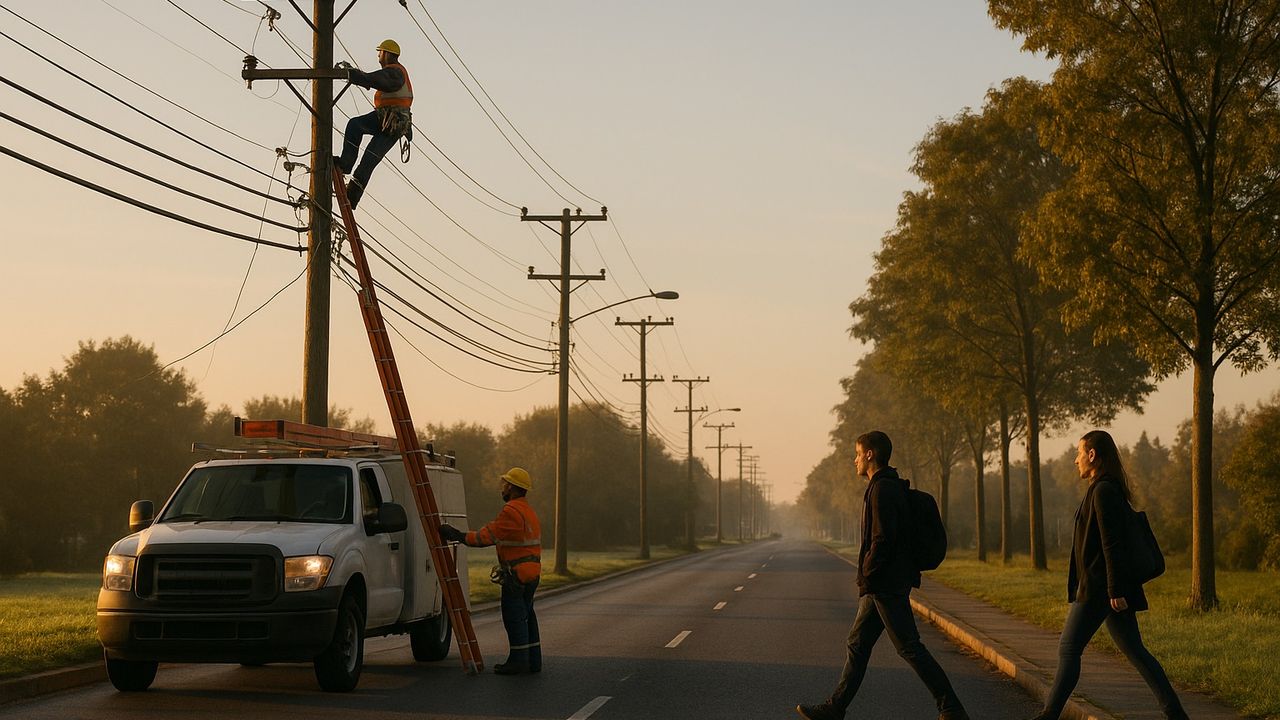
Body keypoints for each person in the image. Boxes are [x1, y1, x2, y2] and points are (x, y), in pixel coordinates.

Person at [798, 431, 969, 720]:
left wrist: (867, 572)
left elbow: (883, 538)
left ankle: (951, 707)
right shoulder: (886, 486)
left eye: (857, 453)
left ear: (870, 454)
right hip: (884, 582)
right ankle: (835, 707)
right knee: (857, 644)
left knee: (909, 647)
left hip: (885, 583)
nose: (854, 460)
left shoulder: (882, 489)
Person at [1027, 430, 1188, 720]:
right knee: (1136, 651)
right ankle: (1176, 714)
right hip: (1107, 587)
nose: (1075, 460)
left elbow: (1110, 545)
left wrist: (1115, 591)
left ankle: (1049, 716)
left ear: (1092, 455)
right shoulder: (1103, 488)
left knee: (1069, 647)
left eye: (1079, 453)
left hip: (1100, 588)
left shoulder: (1103, 491)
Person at [439, 467, 541, 675]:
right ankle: (533, 661)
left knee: (514, 617)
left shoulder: (511, 511)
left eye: (505, 484)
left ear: (512, 488)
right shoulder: (528, 510)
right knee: (527, 615)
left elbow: (487, 537)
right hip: (531, 573)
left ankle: (519, 661)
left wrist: (457, 535)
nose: (502, 488)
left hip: (516, 575)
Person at [334, 39, 412, 210]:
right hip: (383, 118)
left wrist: (356, 76)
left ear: (388, 54)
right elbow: (374, 78)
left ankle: (352, 195)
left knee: (369, 159)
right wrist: (357, 75)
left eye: (380, 52)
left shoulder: (395, 73)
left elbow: (378, 80)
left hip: (393, 122)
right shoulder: (392, 72)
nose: (378, 56)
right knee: (355, 127)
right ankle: (345, 165)